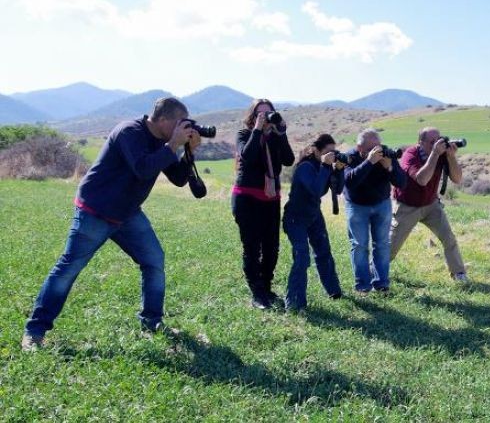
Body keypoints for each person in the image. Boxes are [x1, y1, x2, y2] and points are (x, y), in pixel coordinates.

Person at [21, 97, 201, 350]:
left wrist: (189, 151)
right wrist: (172, 145)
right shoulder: (129, 132)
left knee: (154, 261)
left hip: (127, 213)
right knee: (68, 268)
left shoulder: (163, 141)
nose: (183, 127)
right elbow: (142, 168)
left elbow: (179, 179)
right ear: (162, 119)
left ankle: (152, 321)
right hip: (96, 210)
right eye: (180, 122)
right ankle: (34, 331)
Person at [232, 99, 295, 309]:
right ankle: (257, 293)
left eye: (269, 113)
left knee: (271, 247)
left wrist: (282, 133)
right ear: (252, 116)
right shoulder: (244, 134)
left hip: (271, 198)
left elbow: (288, 160)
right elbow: (248, 157)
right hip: (247, 198)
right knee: (252, 247)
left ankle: (266, 287)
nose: (266, 117)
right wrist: (258, 130)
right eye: (260, 113)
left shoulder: (276, 137)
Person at [390, 126, 468, 282]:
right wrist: (435, 154)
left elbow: (457, 179)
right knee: (392, 244)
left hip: (430, 204)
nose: (436, 144)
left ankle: (458, 273)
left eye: (438, 140)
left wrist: (451, 157)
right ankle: (374, 269)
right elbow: (422, 179)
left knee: (448, 238)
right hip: (408, 206)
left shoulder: (442, 154)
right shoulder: (410, 154)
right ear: (421, 142)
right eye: (432, 142)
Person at [282, 134, 344, 311]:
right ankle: (295, 302)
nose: (331, 155)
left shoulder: (325, 166)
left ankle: (333, 291)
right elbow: (316, 189)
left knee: (324, 252)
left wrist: (339, 170)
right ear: (316, 150)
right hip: (296, 217)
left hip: (314, 215)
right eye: (327, 152)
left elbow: (338, 190)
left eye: (333, 152)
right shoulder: (305, 167)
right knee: (302, 256)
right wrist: (326, 166)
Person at [342, 128, 406, 294]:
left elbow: (401, 182)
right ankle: (363, 286)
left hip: (381, 205)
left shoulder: (386, 155)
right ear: (359, 148)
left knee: (382, 245)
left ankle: (382, 284)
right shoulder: (350, 157)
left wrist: (389, 167)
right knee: (359, 245)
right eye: (371, 148)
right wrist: (369, 162)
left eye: (378, 146)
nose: (376, 150)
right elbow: (349, 182)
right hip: (357, 206)